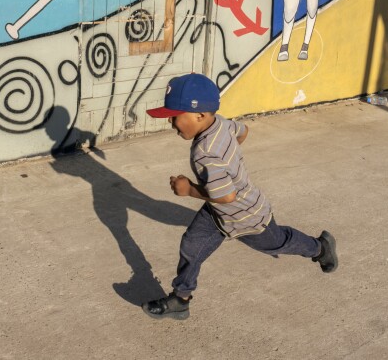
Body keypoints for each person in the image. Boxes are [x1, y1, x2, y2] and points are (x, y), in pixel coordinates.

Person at [142, 73, 338, 320]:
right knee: (191, 246)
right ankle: (181, 299)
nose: (171, 124)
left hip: (246, 215)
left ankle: (320, 248)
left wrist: (189, 189)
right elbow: (243, 131)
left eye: (175, 117)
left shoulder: (205, 152)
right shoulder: (221, 122)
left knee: (277, 242)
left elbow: (227, 196)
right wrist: (229, 158)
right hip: (217, 213)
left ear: (199, 115)